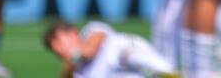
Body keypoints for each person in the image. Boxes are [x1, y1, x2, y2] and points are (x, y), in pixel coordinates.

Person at [43, 20, 178, 78]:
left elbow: (91, 49)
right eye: (54, 49)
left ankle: (169, 72)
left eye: (58, 41)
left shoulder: (91, 30)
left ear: (73, 33)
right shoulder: (79, 74)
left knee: (126, 54)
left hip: (131, 53)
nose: (58, 49)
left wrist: (71, 61)